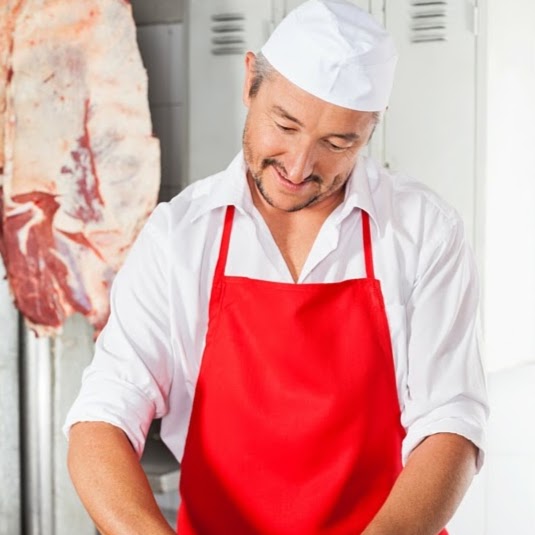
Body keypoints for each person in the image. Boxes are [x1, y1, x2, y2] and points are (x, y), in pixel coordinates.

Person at [64, 1, 488, 534]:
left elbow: (451, 422)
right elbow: (102, 414)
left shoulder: (423, 231)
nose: (298, 166)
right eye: (284, 125)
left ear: (370, 130)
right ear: (250, 83)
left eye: (338, 143)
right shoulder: (180, 236)